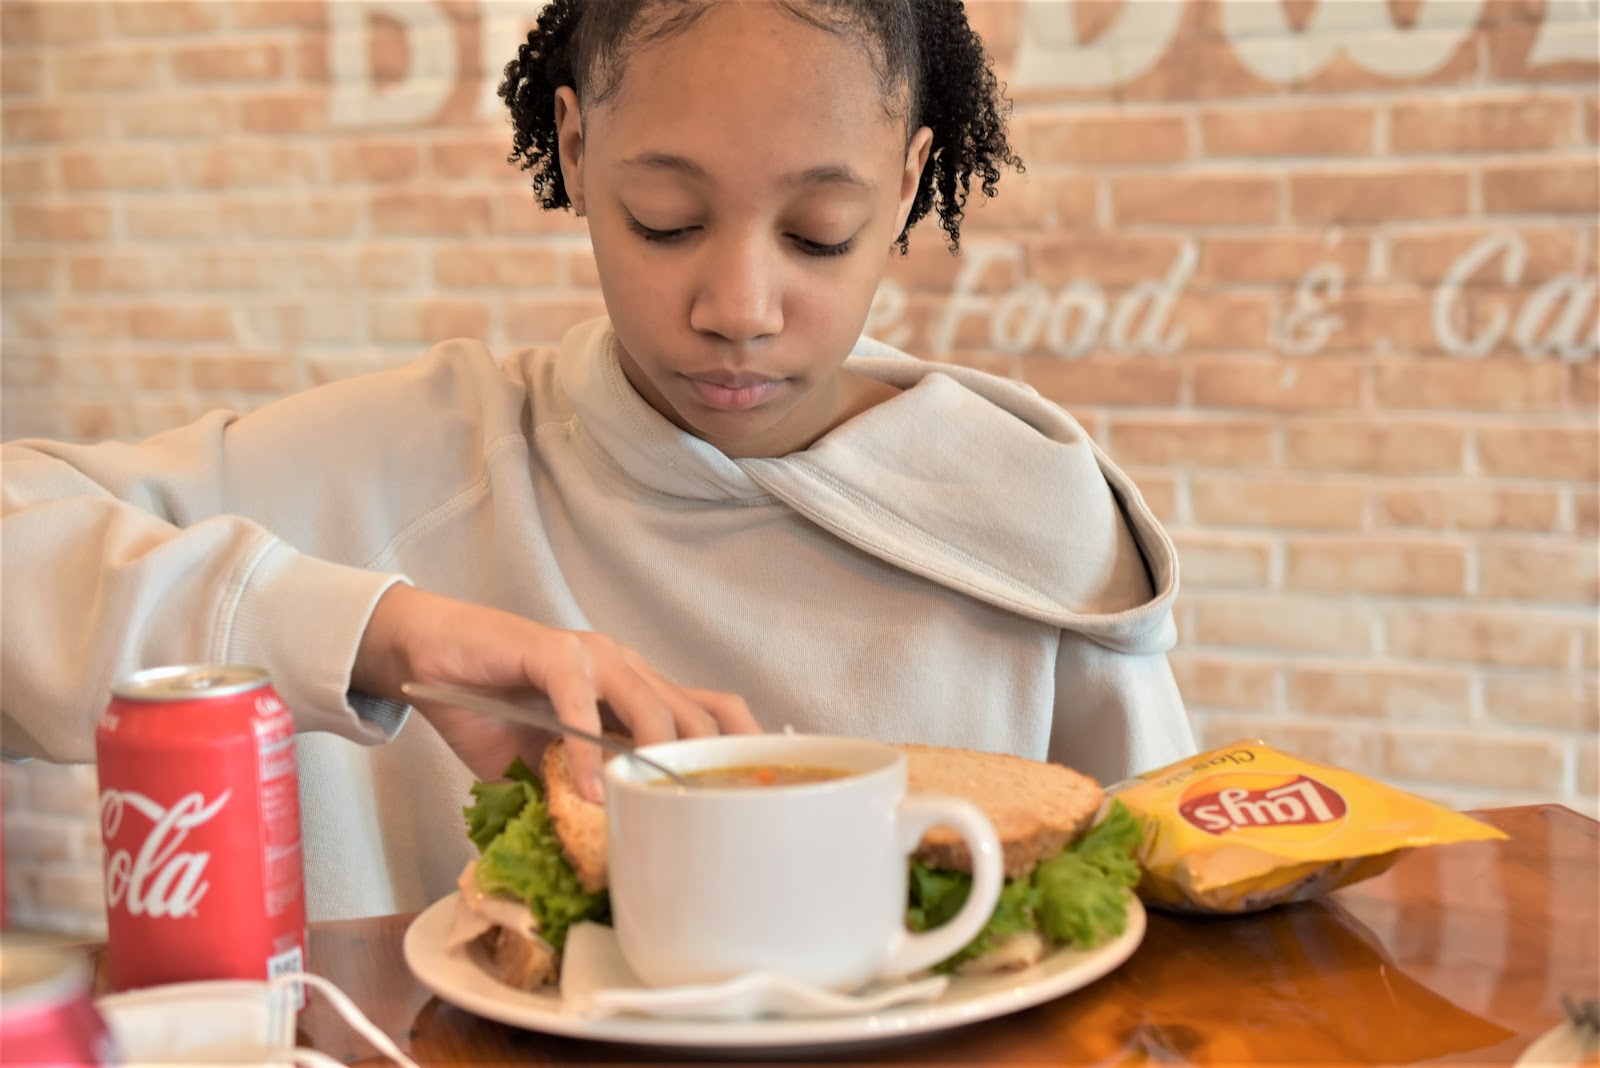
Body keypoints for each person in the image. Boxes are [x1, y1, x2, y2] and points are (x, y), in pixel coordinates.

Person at [0, 0, 1195, 922]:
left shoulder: (1032, 527)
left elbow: (1174, 932)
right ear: (573, 148)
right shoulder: (409, 464)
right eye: (665, 220)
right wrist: (381, 633)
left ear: (908, 182)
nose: (738, 307)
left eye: (817, 234)